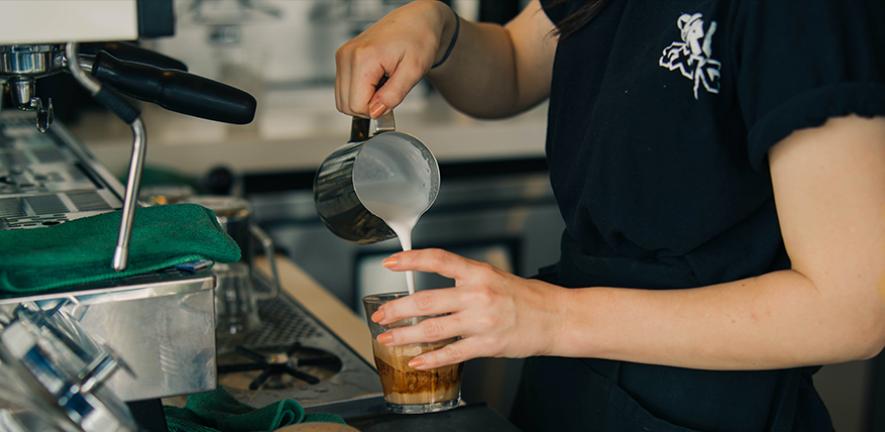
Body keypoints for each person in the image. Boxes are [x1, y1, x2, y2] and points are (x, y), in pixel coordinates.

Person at [334, 0, 885, 430]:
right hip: (573, 378)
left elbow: (852, 310)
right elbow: (512, 65)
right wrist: (437, 28)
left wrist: (552, 318)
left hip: (708, 402)